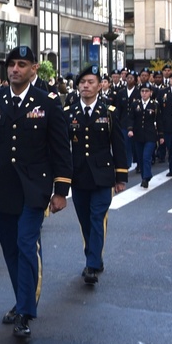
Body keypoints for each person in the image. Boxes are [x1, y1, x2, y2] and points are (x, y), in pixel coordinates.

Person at [0, 46, 72, 339]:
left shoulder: (48, 102)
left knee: (26, 245)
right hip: (2, 187)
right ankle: (20, 299)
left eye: (21, 64)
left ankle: (25, 311)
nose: (14, 69)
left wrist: (61, 190)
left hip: (34, 188)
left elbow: (61, 149)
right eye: (11, 64)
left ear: (34, 69)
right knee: (10, 249)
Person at [67, 64, 127, 286]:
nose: (86, 86)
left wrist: (121, 176)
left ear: (100, 85)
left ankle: (91, 265)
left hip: (103, 175)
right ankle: (95, 255)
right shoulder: (69, 113)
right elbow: (63, 147)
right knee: (85, 221)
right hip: (79, 175)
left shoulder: (108, 113)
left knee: (96, 217)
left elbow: (118, 145)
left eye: (90, 82)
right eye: (82, 82)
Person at [126, 83, 162, 188]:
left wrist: (161, 136)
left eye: (146, 91)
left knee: (146, 156)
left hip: (150, 135)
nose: (144, 93)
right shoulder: (135, 104)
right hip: (138, 135)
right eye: (142, 91)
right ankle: (144, 178)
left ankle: (147, 177)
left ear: (151, 93)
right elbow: (131, 118)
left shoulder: (154, 105)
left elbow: (159, 120)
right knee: (140, 158)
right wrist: (130, 129)